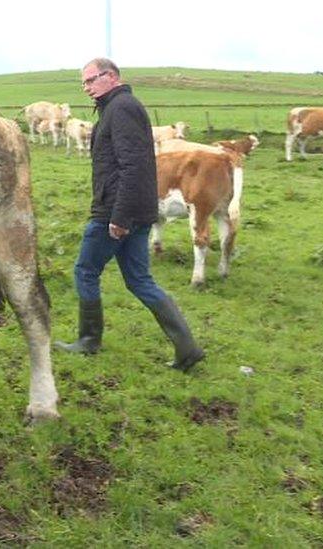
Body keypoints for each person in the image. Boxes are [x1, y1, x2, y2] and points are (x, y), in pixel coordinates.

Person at [54, 58, 204, 372]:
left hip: (116, 211)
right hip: (134, 209)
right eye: (84, 83)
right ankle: (187, 348)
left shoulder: (121, 108)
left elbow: (133, 166)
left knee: (85, 270)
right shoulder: (117, 107)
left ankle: (88, 340)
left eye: (91, 80)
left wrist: (119, 217)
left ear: (111, 77)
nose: (87, 87)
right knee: (138, 279)